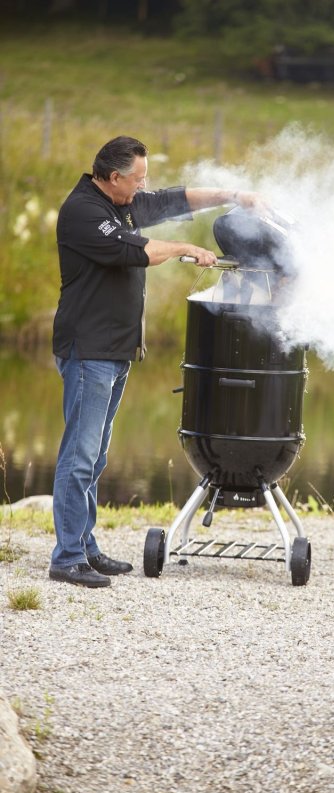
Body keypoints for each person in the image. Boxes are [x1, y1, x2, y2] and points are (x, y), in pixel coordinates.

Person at [50, 135, 264, 588]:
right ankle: (66, 557)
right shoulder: (84, 212)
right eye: (138, 178)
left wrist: (232, 195)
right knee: (80, 455)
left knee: (97, 455)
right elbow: (138, 252)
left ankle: (86, 547)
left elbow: (174, 199)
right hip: (88, 350)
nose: (144, 186)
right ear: (113, 177)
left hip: (115, 349)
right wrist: (186, 249)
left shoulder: (124, 201)